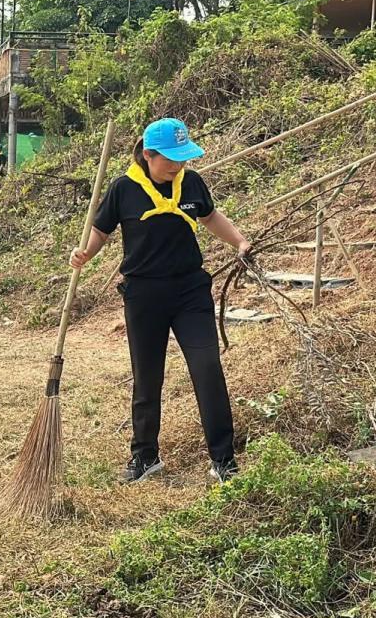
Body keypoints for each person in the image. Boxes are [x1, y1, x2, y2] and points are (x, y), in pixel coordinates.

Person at [70, 118, 249, 485]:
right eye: (170, 158)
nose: (177, 165)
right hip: (144, 295)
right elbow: (101, 229)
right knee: (147, 377)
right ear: (148, 155)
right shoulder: (124, 189)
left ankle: (223, 459)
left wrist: (240, 242)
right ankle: (145, 456)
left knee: (207, 368)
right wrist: (85, 253)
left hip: (190, 292)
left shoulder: (192, 183)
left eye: (182, 158)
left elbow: (211, 216)